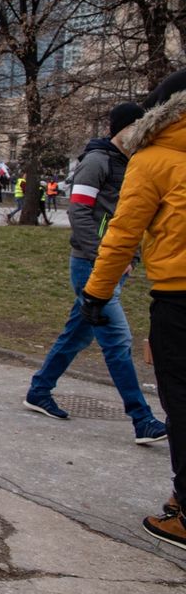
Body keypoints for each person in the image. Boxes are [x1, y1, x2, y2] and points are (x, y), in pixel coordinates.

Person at [80, 70, 186, 550]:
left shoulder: (154, 159)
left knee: (180, 400)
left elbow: (122, 232)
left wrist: (95, 292)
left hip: (178, 297)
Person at [24, 102, 166, 441]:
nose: (141, 133)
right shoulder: (96, 162)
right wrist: (103, 257)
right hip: (91, 265)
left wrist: (129, 256)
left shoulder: (132, 164)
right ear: (119, 128)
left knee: (79, 333)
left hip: (115, 265)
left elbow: (128, 218)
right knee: (117, 340)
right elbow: (80, 214)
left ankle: (39, 390)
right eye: (136, 126)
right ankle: (141, 418)